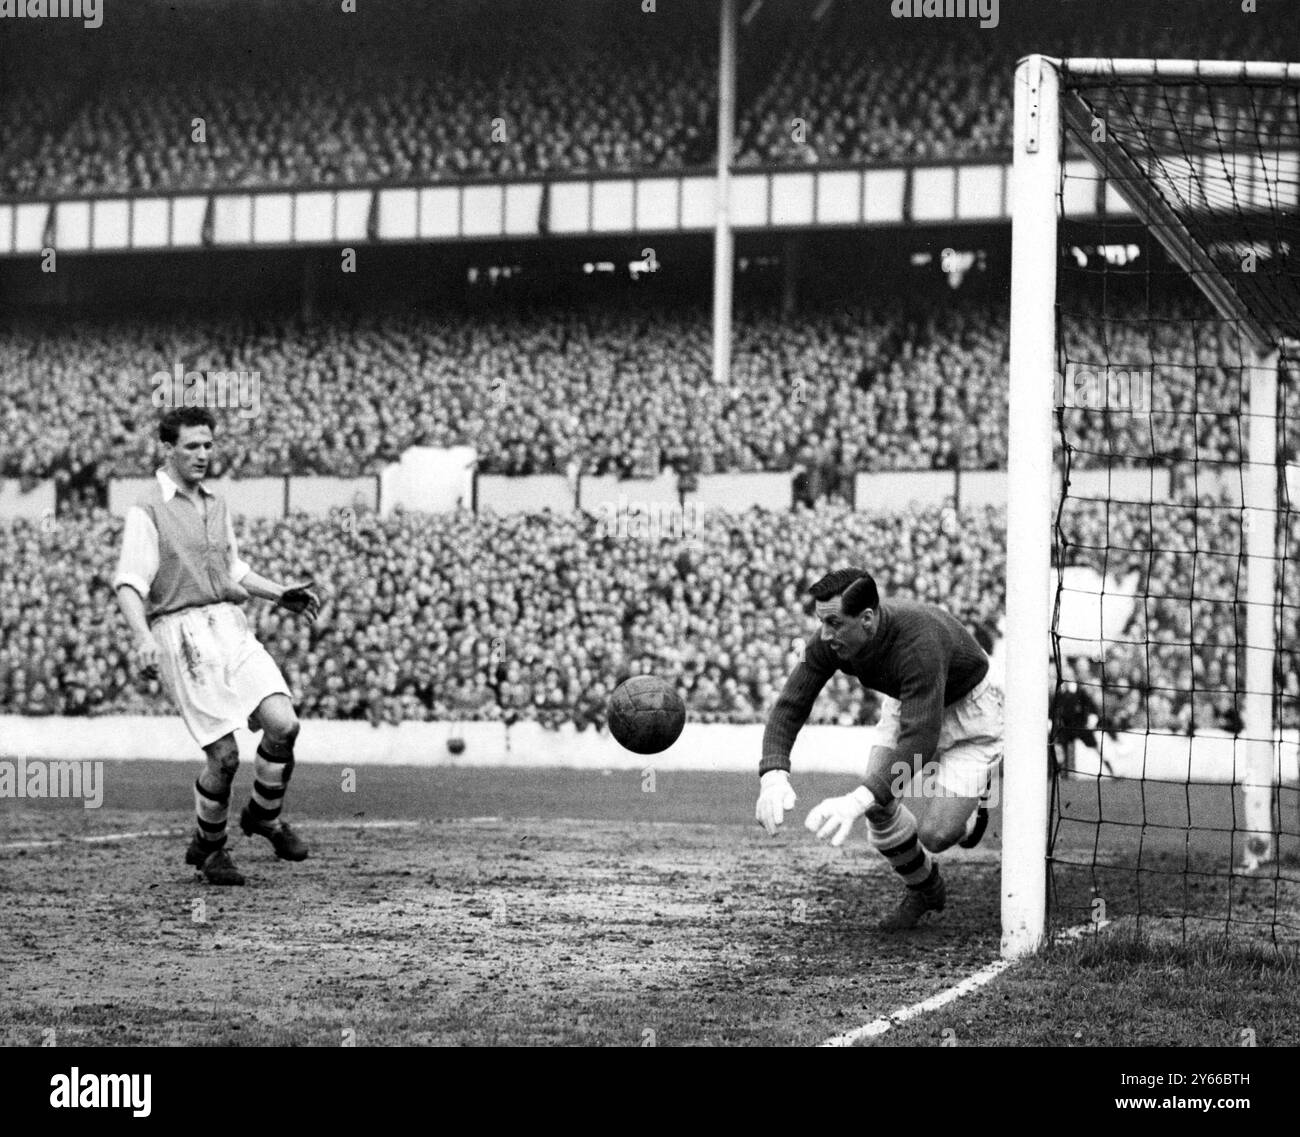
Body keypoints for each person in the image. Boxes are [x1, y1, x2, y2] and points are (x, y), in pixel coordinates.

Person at [113, 407, 320, 886]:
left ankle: (264, 817)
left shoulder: (216, 503)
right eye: (192, 446)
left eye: (208, 445)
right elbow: (128, 583)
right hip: (182, 634)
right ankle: (210, 847)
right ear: (168, 449)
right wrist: (142, 639)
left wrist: (279, 593)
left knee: (283, 723)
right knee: (224, 757)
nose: (203, 454)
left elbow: (233, 570)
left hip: (230, 624)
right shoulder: (147, 510)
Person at [755, 568, 1003, 929]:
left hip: (972, 713)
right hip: (910, 701)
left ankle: (973, 814)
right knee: (880, 805)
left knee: (935, 835)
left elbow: (920, 741)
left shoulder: (919, 642)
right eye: (822, 622)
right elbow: (791, 704)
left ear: (867, 619)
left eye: (835, 623)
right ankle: (924, 889)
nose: (825, 635)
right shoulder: (832, 640)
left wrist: (857, 798)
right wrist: (773, 774)